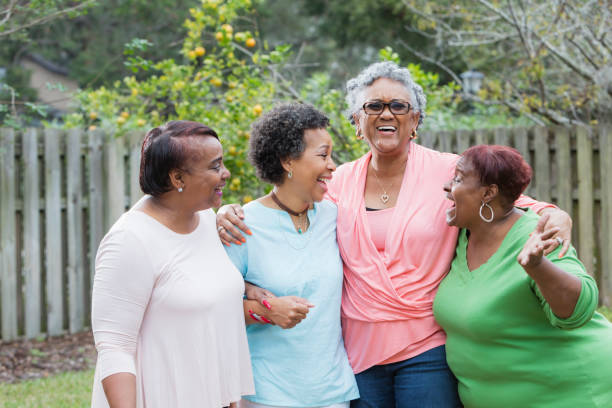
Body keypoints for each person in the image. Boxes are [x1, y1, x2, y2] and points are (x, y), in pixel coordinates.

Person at [217, 62, 572, 407]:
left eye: (398, 106)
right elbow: (282, 219)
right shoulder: (337, 182)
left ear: (415, 120)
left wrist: (556, 214)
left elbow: (507, 199)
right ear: (357, 122)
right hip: (357, 352)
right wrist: (226, 212)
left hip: (426, 347)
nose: (386, 114)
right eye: (373, 106)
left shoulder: (451, 172)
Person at [90, 120, 254, 408]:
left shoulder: (204, 220)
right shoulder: (130, 241)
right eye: (215, 166)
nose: (226, 174)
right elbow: (115, 348)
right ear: (178, 178)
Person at [434, 145, 612, 408]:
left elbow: (577, 309)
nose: (448, 187)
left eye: (459, 179)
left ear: (488, 193)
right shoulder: (461, 238)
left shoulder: (536, 233)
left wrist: (538, 267)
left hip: (573, 392)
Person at [222, 103, 359, 408]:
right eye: (323, 155)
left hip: (332, 393)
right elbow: (218, 312)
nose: (333, 165)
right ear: (288, 161)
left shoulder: (334, 216)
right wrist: (266, 310)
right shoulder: (242, 225)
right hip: (267, 395)